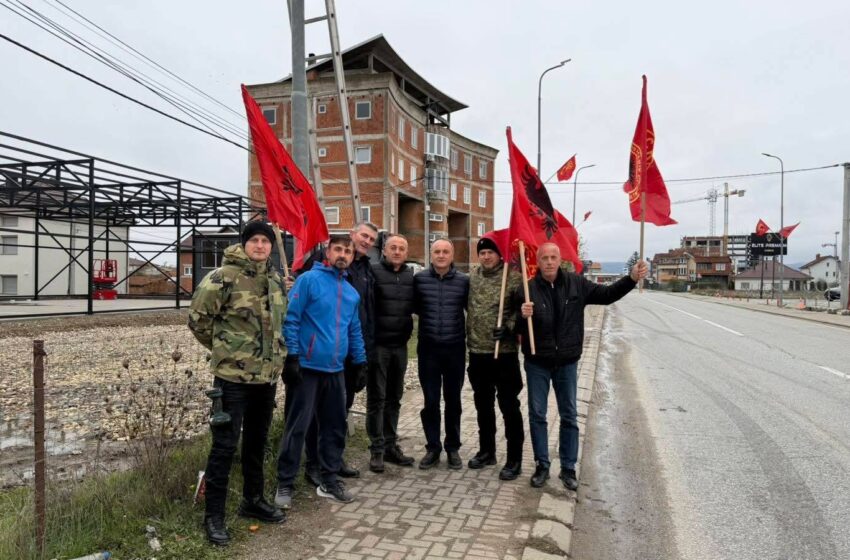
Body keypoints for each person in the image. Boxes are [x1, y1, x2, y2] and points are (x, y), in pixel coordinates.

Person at [517, 242, 648, 491]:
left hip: (567, 361)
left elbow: (607, 295)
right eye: (544, 258)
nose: (549, 262)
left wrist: (631, 279)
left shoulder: (576, 284)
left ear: (560, 260)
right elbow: (517, 328)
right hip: (537, 362)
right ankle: (542, 465)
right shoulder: (526, 288)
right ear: (538, 261)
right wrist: (522, 316)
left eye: (553, 257)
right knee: (537, 415)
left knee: (569, 415)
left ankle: (568, 467)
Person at [188, 220, 287, 546]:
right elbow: (198, 320)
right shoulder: (223, 277)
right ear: (244, 244)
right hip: (232, 380)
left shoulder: (274, 280)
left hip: (265, 378)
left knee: (257, 442)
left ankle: (252, 500)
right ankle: (213, 517)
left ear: (271, 247)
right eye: (254, 240)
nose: (260, 245)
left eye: (265, 241)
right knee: (224, 447)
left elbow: (279, 324)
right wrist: (225, 350)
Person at [275, 235, 368, 508]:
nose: (343, 255)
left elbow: (354, 329)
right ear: (328, 252)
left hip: (336, 370)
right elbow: (291, 319)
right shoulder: (308, 281)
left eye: (348, 251)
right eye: (338, 249)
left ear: (352, 257)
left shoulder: (350, 292)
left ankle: (329, 479)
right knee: (297, 427)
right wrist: (292, 356)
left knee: (335, 427)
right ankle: (285, 482)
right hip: (306, 368)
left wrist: (360, 362)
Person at [287, 221, 378, 484]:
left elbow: (358, 320)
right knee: (308, 418)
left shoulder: (363, 272)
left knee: (337, 416)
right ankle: (308, 467)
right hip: (312, 359)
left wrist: (361, 359)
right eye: (363, 236)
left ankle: (333, 463)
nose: (366, 241)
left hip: (343, 356)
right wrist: (292, 355)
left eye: (371, 239)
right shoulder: (315, 270)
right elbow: (294, 312)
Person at [466, 236, 524, 480]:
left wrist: (509, 327)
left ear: (500, 255)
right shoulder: (472, 277)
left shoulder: (514, 278)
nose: (486, 256)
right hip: (477, 352)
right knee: (483, 405)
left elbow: (523, 309)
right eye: (482, 253)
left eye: (491, 252)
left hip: (504, 353)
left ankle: (514, 458)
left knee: (509, 406)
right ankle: (487, 451)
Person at [413, 239, 469, 470]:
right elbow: (414, 307)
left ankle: (453, 447)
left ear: (452, 255)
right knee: (431, 401)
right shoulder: (419, 280)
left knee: (453, 401)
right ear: (431, 254)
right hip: (428, 350)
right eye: (437, 251)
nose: (441, 255)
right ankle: (433, 447)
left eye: (445, 251)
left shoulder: (464, 281)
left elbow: (472, 309)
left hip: (455, 349)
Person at [367, 233, 416, 473]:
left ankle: (390, 445)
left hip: (400, 346)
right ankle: (376, 449)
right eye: (393, 247)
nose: (397, 251)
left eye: (401, 248)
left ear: (406, 253)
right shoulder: (373, 272)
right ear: (384, 251)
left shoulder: (410, 275)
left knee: (394, 398)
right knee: (377, 398)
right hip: (379, 346)